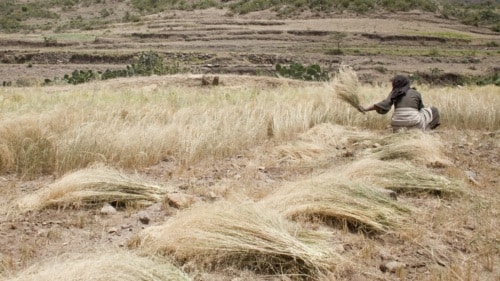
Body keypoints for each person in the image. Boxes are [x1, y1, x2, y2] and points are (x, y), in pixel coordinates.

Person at [360, 75, 440, 132]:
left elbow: (383, 105)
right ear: (407, 83)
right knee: (434, 110)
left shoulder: (394, 93)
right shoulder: (416, 93)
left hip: (396, 125)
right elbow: (421, 109)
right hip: (414, 124)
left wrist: (365, 109)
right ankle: (427, 131)